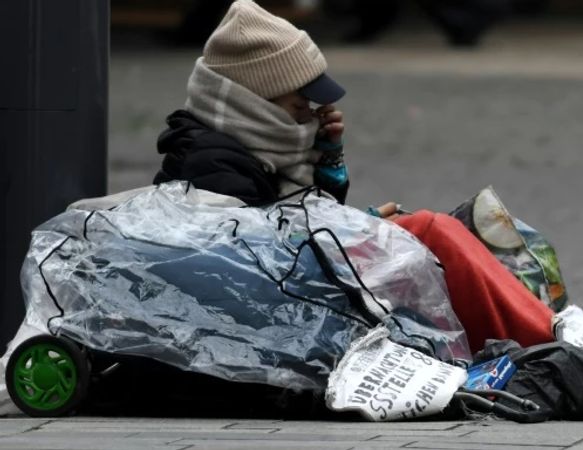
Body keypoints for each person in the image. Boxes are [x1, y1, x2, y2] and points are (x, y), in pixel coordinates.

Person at [153, 0, 553, 352]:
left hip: (295, 286)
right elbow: (260, 259)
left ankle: (543, 328)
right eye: (301, 102)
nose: (312, 112)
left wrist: (326, 159)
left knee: (452, 229)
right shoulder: (210, 160)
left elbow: (297, 219)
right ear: (259, 100)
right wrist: (366, 226)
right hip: (266, 305)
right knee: (430, 230)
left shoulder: (245, 143)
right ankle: (545, 340)